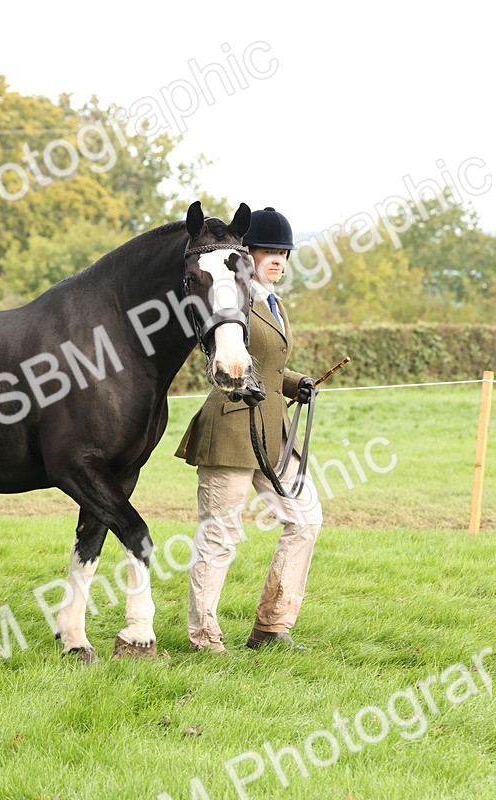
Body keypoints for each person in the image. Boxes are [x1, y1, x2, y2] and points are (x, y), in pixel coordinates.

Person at [174, 206, 324, 654]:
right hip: (232, 429)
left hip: (273, 431)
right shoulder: (231, 296)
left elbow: (269, 364)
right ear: (245, 254)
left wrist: (297, 383)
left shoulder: (274, 302)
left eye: (284, 253)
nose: (278, 260)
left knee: (306, 519)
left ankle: (272, 627)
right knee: (220, 536)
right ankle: (203, 637)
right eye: (268, 252)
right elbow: (222, 355)